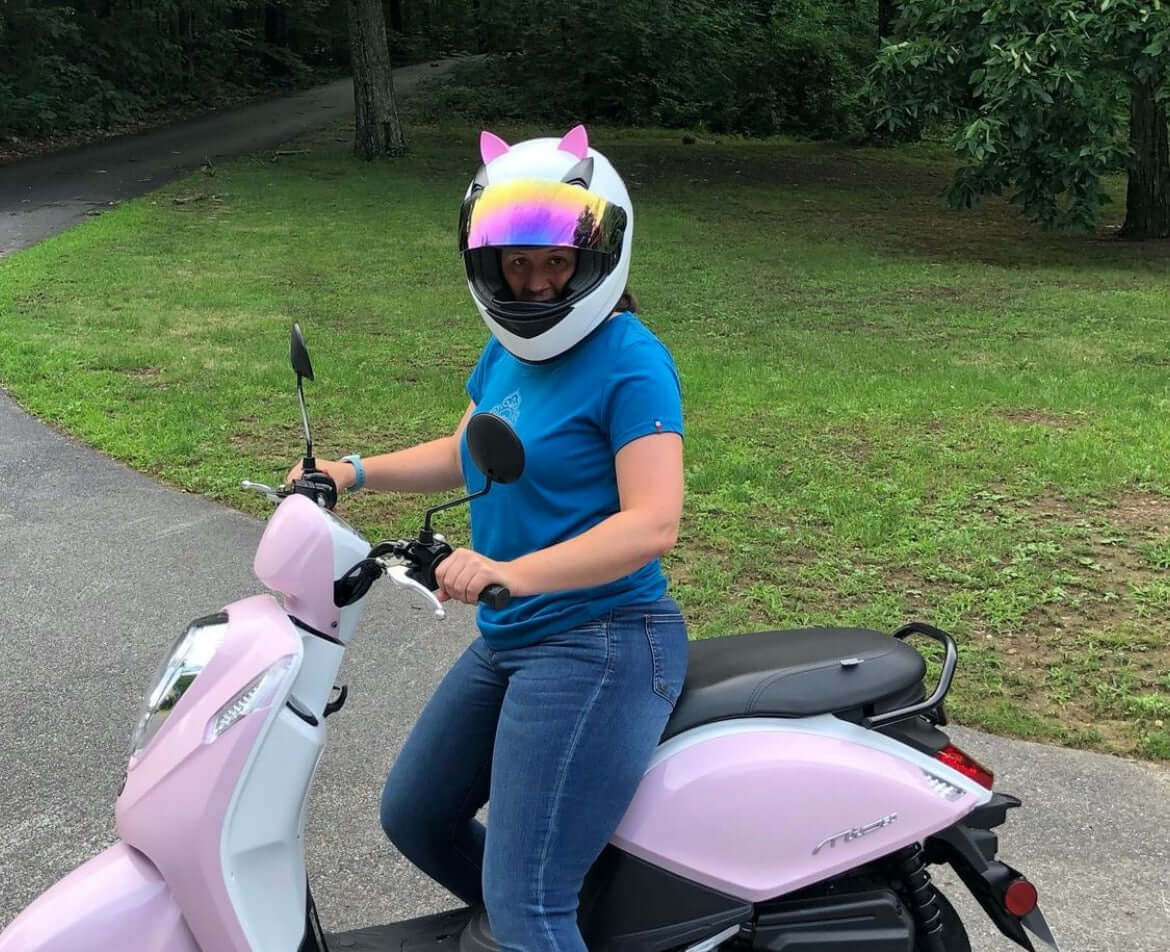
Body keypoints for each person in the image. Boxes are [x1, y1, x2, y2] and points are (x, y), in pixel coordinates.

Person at [290, 125, 686, 952]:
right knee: (416, 815)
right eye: (517, 263)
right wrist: (349, 471)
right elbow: (461, 450)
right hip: (514, 636)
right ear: (489, 264)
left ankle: (534, 924)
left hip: (602, 641)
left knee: (526, 903)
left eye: (554, 263)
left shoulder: (631, 360)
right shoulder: (506, 351)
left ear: (595, 256)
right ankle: (563, 928)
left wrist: (512, 569)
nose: (536, 283)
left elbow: (653, 522)